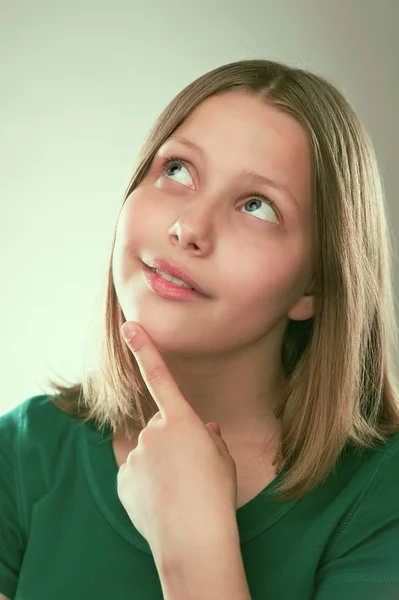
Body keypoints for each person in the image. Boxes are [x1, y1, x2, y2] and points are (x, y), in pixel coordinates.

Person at [1, 58, 399, 600]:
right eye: (178, 170)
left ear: (316, 288)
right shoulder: (21, 456)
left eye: (257, 206)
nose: (188, 227)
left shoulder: (382, 497)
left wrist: (196, 549)